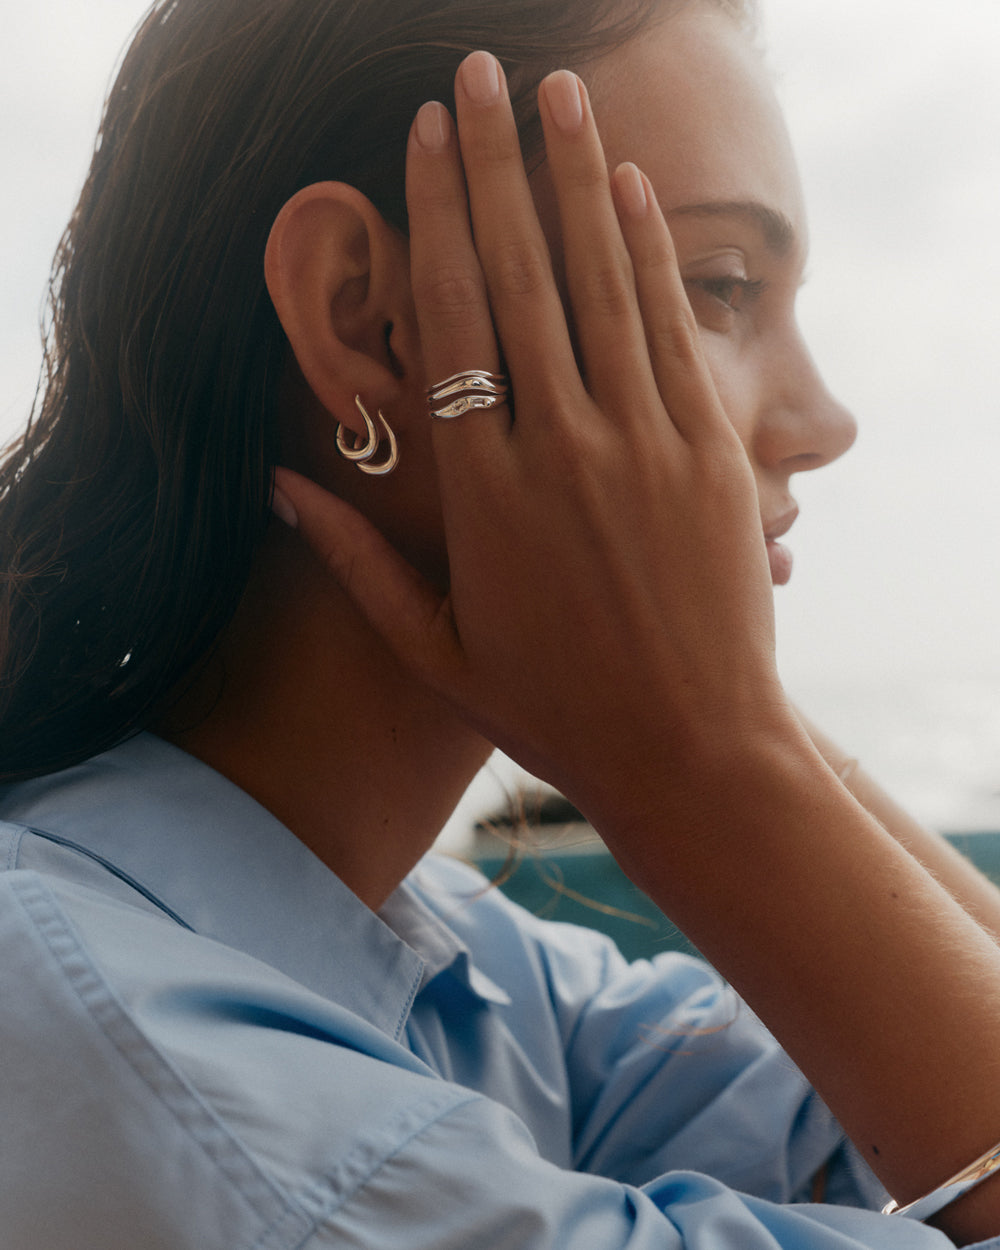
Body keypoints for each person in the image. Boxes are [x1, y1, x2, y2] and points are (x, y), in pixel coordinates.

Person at [2, 0, 1000, 1246]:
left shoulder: (463, 960)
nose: (821, 416)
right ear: (366, 315)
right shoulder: (138, 1053)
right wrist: (704, 760)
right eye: (720, 285)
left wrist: (717, 713)